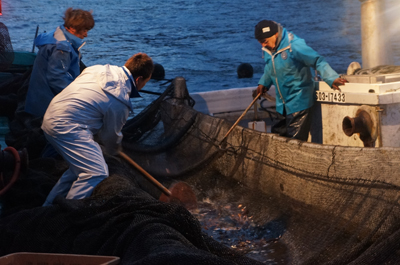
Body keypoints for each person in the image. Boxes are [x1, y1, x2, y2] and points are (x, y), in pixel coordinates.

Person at [41, 53, 154, 206]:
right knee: (96, 173)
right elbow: (109, 137)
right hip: (67, 127)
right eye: (145, 82)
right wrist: (115, 147)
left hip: (50, 115)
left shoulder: (97, 69)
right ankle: (66, 215)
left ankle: (48, 207)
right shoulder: (120, 100)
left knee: (78, 169)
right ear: (139, 80)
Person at [254, 20, 348, 141]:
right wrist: (263, 83)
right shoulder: (268, 49)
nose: (262, 45)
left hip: (299, 103)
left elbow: (317, 60)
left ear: (275, 34)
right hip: (282, 105)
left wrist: (331, 78)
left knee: (294, 142)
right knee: (278, 138)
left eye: (264, 41)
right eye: (260, 42)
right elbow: (270, 67)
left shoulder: (294, 45)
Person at [25, 7, 95, 118]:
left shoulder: (55, 35)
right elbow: (57, 78)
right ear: (72, 28)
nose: (86, 35)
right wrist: (79, 96)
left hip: (36, 98)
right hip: (47, 104)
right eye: (84, 30)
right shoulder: (62, 48)